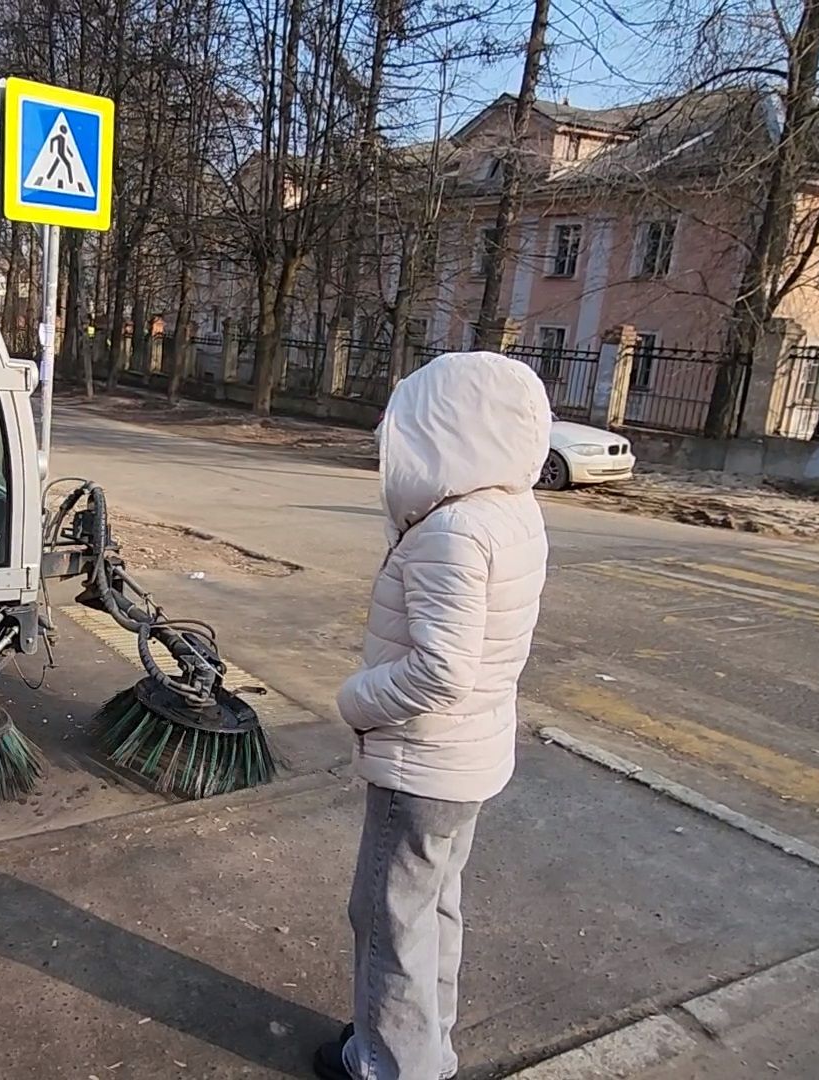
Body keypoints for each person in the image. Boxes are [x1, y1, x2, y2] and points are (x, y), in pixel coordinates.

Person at [314, 351, 550, 1080]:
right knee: (432, 907)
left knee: (388, 918)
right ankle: (423, 1046)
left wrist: (355, 700)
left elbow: (442, 670)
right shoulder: (510, 509)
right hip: (469, 758)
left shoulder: (454, 529)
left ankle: (389, 1064)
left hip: (425, 763)